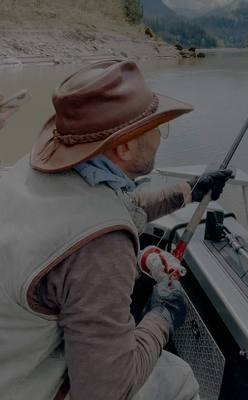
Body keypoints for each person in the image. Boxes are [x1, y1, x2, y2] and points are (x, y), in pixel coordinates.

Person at [0, 59, 232, 400]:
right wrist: (161, 317)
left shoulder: (26, 172)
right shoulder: (100, 244)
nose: (159, 137)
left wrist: (188, 192)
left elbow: (116, 207)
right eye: (156, 127)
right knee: (177, 376)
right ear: (123, 146)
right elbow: (106, 391)